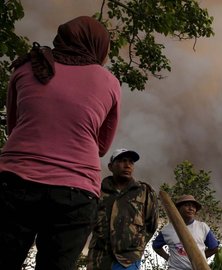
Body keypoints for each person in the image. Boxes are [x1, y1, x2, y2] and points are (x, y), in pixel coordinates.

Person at [0, 16, 121, 269]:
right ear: (97, 46)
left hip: (14, 183)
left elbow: (14, 127)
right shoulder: (109, 82)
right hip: (75, 193)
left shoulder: (26, 67)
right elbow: (101, 146)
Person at [87, 149, 158, 270]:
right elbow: (86, 220)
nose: (127, 165)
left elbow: (151, 225)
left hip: (128, 260)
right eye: (122, 161)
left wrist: (135, 245)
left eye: (131, 162)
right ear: (110, 166)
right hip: (99, 258)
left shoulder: (144, 191)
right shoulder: (97, 190)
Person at [152, 194, 219, 269]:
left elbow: (214, 248)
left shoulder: (202, 227)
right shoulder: (167, 230)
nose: (191, 208)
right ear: (178, 209)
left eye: (194, 206)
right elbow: (156, 246)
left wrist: (199, 260)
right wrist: (168, 258)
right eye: (187, 205)